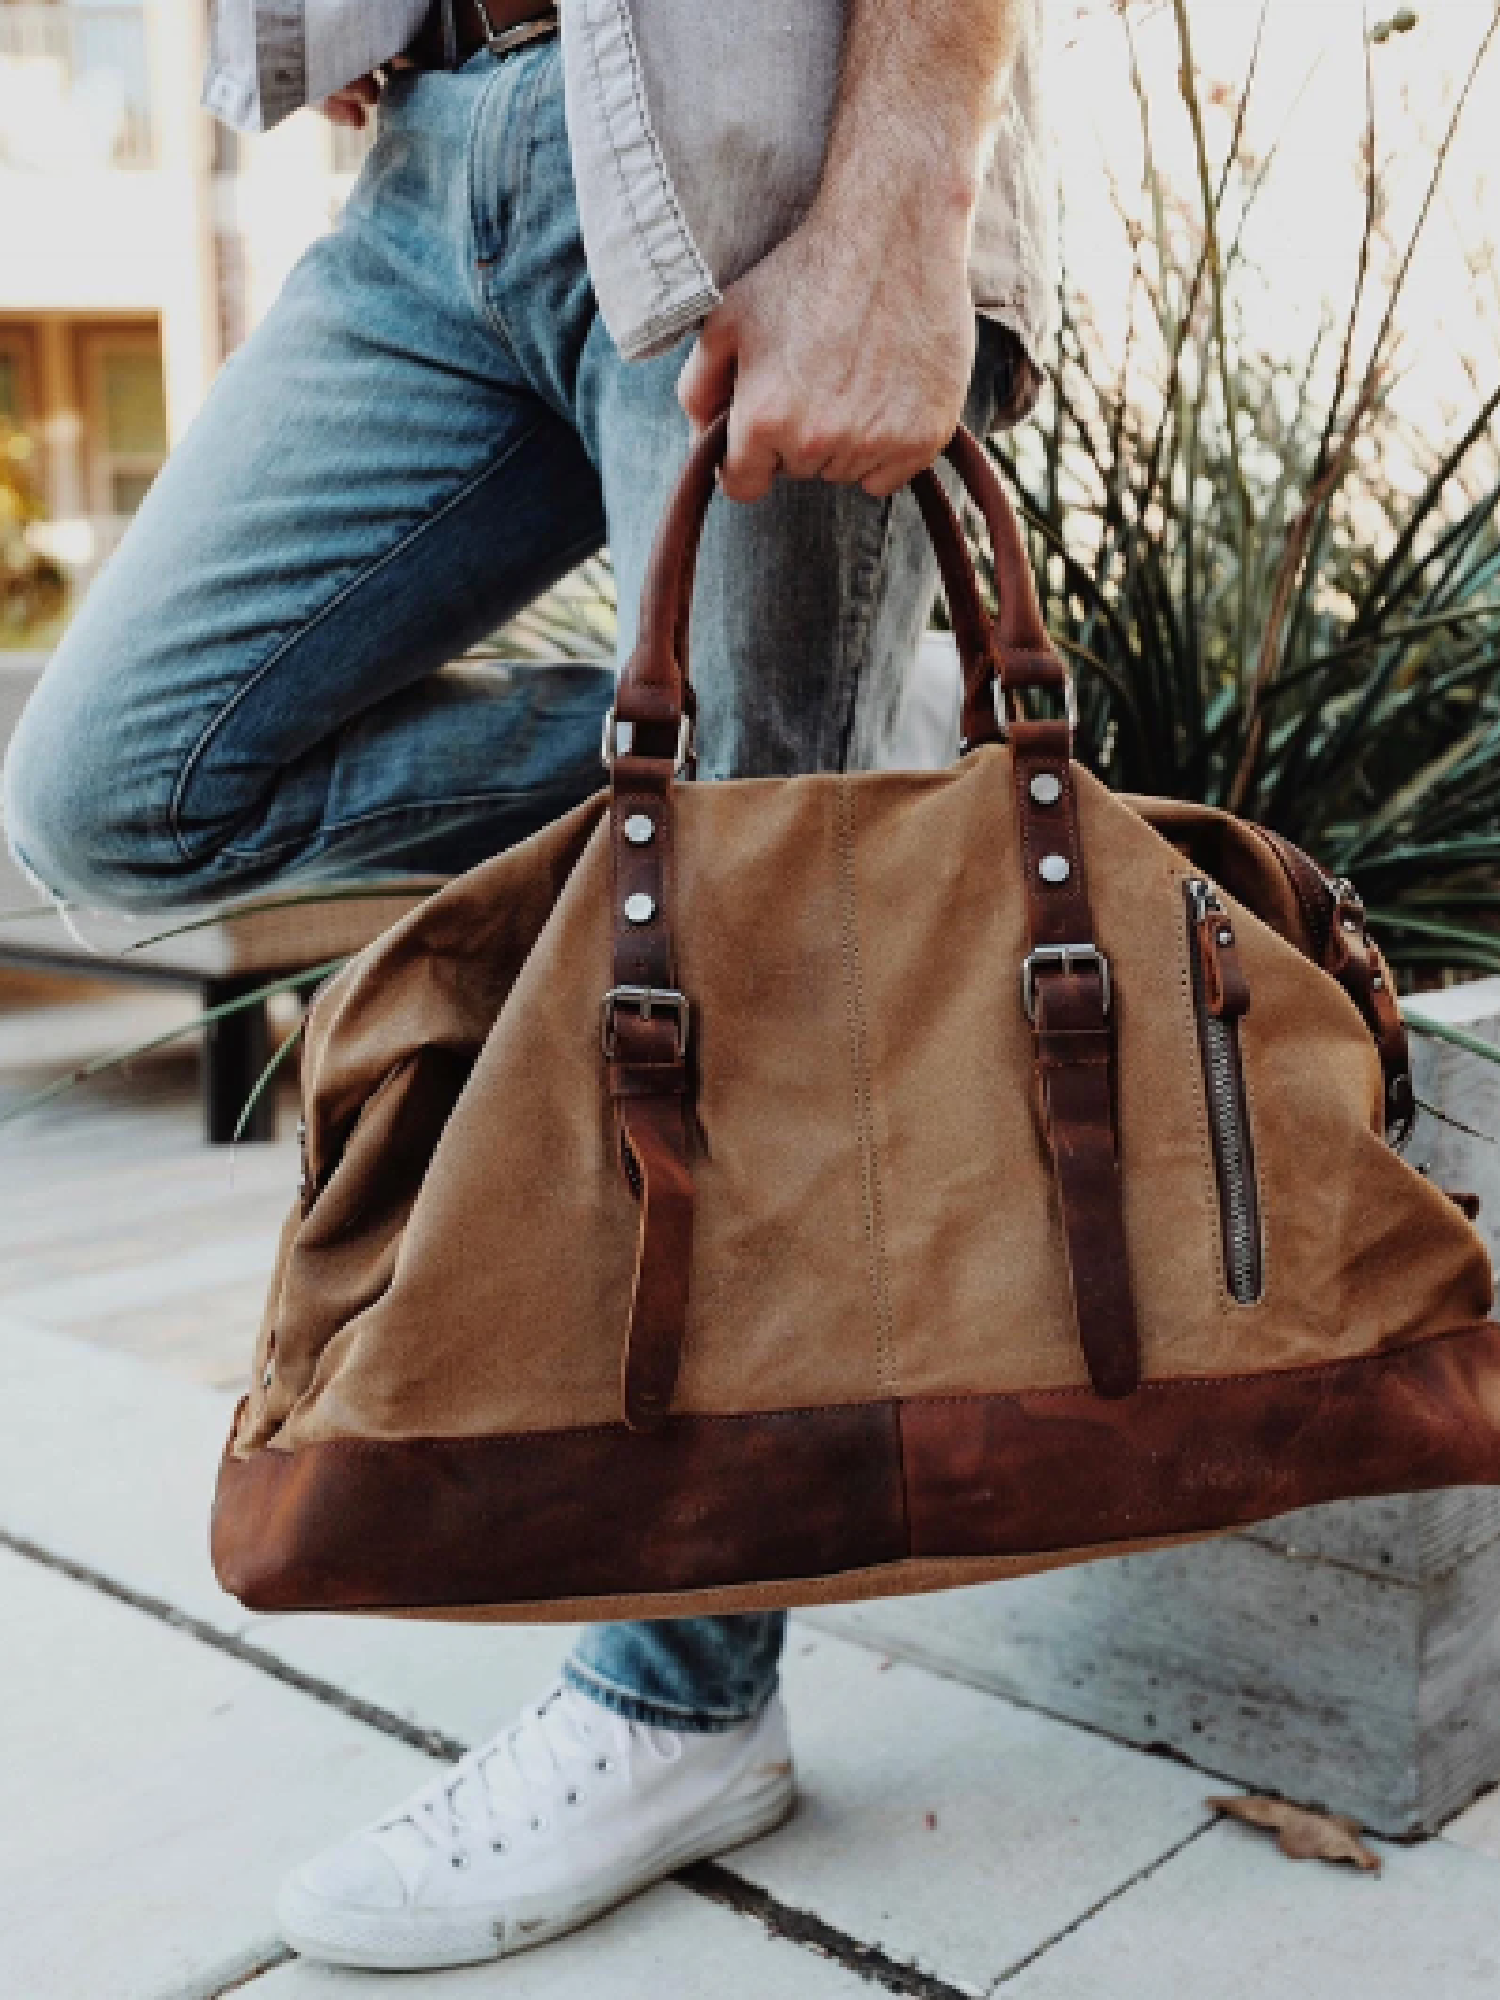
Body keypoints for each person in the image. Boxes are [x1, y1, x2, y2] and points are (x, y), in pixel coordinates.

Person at [1, 0, 1055, 1973]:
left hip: (758, 125)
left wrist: (907, 199)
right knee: (114, 787)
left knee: (739, 952)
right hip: (449, 149)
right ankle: (825, 789)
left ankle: (682, 1702)